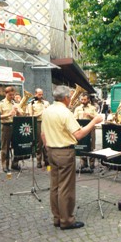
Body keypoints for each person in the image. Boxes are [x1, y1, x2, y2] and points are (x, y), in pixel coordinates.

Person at [41, 85, 103, 230]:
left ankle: (57, 218)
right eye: (70, 96)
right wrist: (94, 122)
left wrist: (49, 148)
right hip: (64, 152)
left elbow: (43, 134)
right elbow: (79, 134)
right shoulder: (65, 112)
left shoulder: (47, 110)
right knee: (66, 188)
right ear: (66, 98)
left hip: (51, 151)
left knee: (55, 186)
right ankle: (66, 220)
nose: (71, 98)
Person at [0, 86, 23, 172]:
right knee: (5, 147)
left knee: (17, 146)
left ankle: (15, 163)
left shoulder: (15, 103)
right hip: (5, 126)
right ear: (5, 94)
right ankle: (5, 165)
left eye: (13, 95)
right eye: (10, 95)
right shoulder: (0, 104)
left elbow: (21, 115)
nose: (12, 97)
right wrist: (8, 114)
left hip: (15, 126)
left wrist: (17, 112)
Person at [73, 93, 98, 171]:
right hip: (81, 129)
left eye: (84, 99)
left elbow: (97, 118)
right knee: (81, 145)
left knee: (91, 145)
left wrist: (89, 115)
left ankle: (91, 164)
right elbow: (74, 118)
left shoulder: (93, 108)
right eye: (82, 99)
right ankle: (83, 163)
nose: (83, 101)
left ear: (88, 100)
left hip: (90, 129)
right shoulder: (78, 108)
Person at [28, 88, 50, 168]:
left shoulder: (46, 103)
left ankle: (47, 160)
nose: (41, 96)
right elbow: (30, 116)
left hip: (46, 122)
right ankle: (38, 160)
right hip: (38, 123)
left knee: (46, 141)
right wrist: (41, 112)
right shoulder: (31, 103)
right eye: (39, 94)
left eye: (42, 94)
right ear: (35, 94)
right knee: (39, 142)